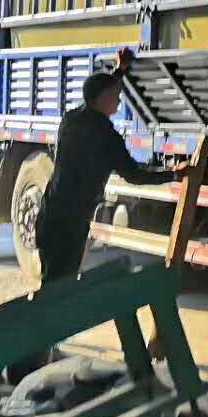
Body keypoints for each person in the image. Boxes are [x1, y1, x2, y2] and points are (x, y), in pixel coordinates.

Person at [35, 48, 187, 281]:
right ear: (103, 99)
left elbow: (97, 92)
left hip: (50, 214)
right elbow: (134, 175)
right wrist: (173, 175)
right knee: (61, 286)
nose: (119, 100)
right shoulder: (106, 137)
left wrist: (119, 71)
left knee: (51, 281)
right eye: (116, 96)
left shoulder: (70, 120)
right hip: (71, 223)